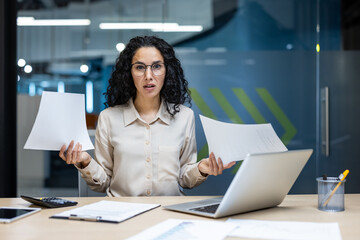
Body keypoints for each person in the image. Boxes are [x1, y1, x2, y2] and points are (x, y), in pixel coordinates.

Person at [59, 36, 235, 196]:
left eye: (157, 66)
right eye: (140, 67)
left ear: (167, 71)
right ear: (129, 73)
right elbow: (103, 183)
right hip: (121, 215)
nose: (148, 76)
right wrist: (85, 161)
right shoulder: (108, 118)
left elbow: (184, 179)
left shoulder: (184, 116)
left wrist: (202, 168)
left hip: (168, 214)